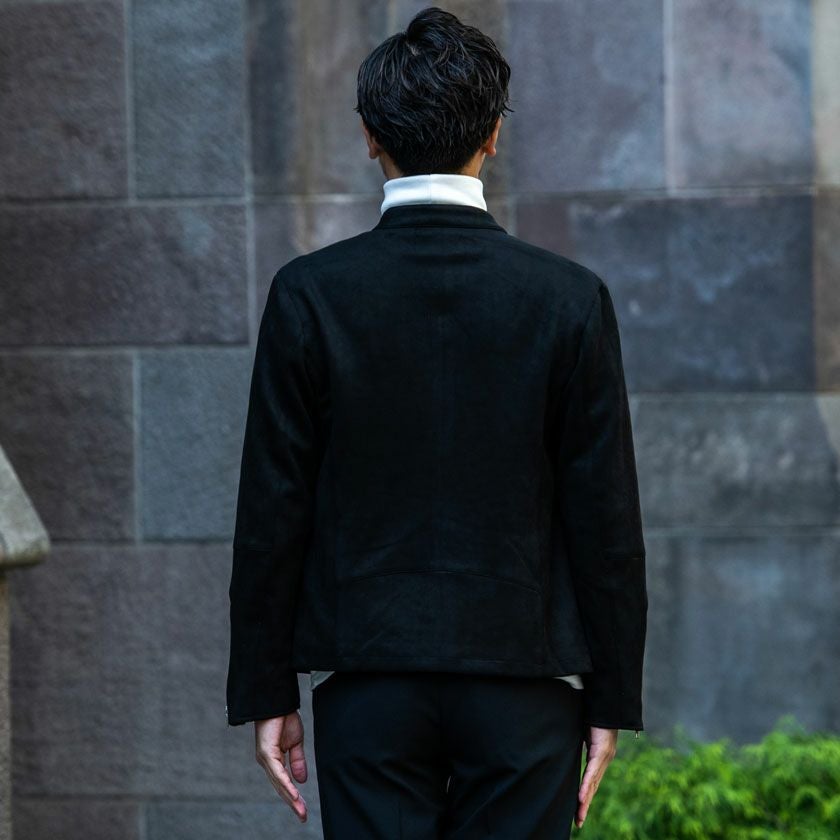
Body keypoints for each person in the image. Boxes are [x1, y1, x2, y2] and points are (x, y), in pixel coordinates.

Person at [226, 6, 648, 838]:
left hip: (370, 685)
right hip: (525, 689)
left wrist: (266, 688)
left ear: (368, 136)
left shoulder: (310, 295)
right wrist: (613, 696)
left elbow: (273, 509)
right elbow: (605, 519)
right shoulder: (567, 298)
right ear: (493, 135)